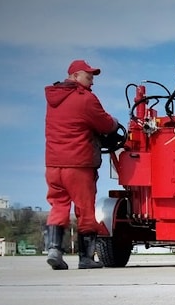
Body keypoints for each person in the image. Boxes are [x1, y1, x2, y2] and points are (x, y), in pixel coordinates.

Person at [43, 59, 119, 270]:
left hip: (53, 165)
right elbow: (105, 123)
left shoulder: (53, 99)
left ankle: (54, 250)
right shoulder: (84, 99)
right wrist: (114, 122)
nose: (92, 81)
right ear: (75, 76)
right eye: (89, 76)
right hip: (79, 165)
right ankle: (86, 258)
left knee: (58, 205)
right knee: (85, 210)